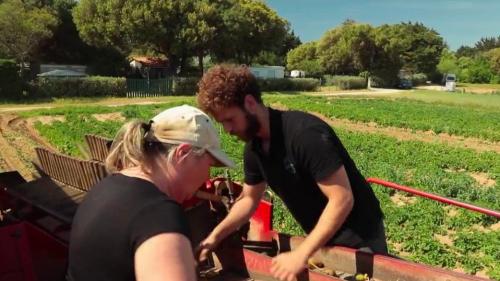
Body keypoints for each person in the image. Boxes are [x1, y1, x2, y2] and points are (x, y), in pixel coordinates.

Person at [196, 65, 387, 281]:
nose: (228, 130)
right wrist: (215, 236)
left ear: (249, 103)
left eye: (230, 119)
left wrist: (301, 254)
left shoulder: (304, 135)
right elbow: (249, 199)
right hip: (323, 237)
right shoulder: (254, 150)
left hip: (360, 239)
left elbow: (342, 199)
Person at [67, 105, 234, 281]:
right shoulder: (159, 216)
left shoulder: (102, 189)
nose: (208, 175)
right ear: (183, 154)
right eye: (209, 164)